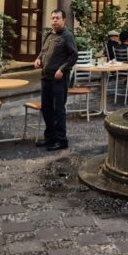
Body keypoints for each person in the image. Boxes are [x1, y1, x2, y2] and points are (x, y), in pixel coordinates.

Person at [33, 9, 77, 151]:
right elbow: (43, 51)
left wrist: (62, 69)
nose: (54, 21)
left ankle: (61, 140)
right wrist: (38, 59)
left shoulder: (67, 36)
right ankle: (50, 138)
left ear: (64, 20)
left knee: (58, 110)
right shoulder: (49, 35)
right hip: (46, 77)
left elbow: (73, 56)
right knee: (46, 109)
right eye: (52, 18)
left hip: (59, 79)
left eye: (57, 18)